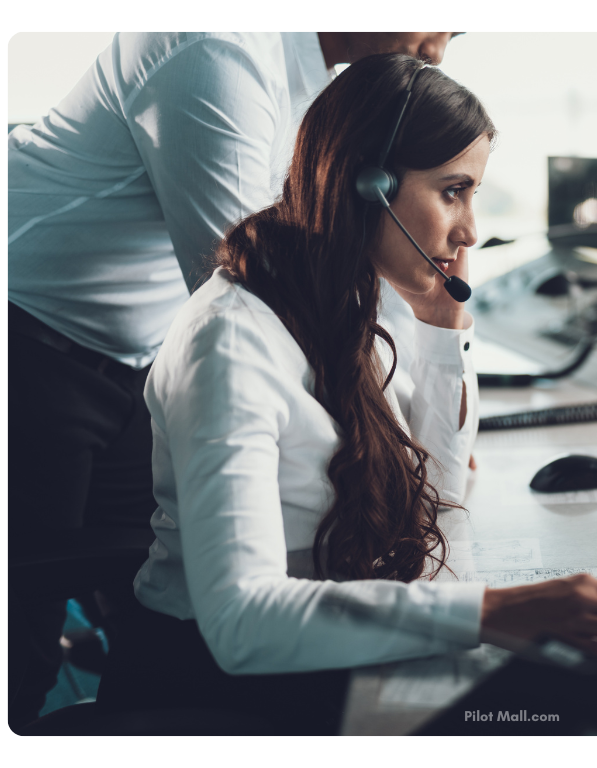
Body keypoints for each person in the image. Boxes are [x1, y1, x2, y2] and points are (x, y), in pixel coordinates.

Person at [94, 54, 597, 736]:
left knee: (568, 701)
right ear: (365, 186)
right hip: (213, 680)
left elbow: (434, 499)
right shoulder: (231, 343)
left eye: (474, 194)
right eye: (452, 191)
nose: (470, 231)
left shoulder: (340, 302)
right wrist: (491, 612)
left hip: (314, 648)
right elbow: (242, 622)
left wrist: (441, 329)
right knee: (546, 714)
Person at [6, 30, 460, 729]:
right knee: (23, 644)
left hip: (130, 356)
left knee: (168, 576)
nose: (440, 48)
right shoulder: (215, 54)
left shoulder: (313, 78)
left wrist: (434, 335)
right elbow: (262, 290)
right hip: (33, 341)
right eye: (441, 28)